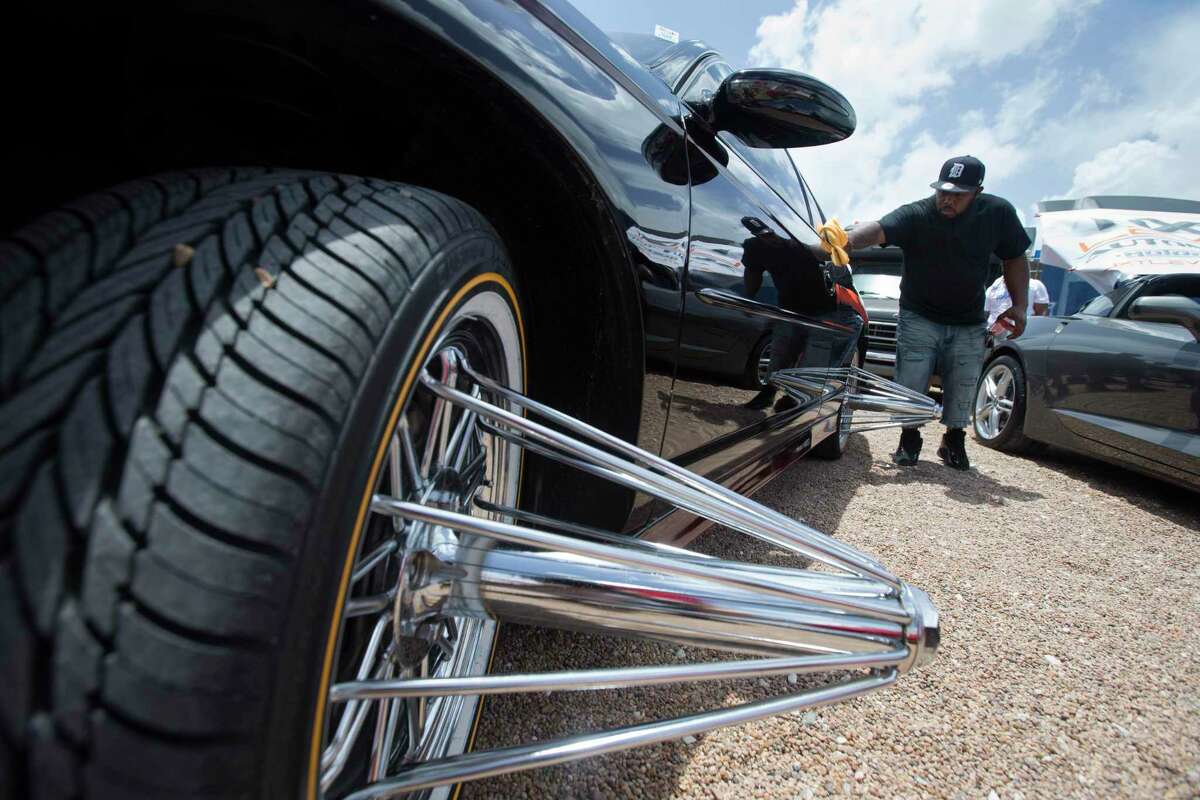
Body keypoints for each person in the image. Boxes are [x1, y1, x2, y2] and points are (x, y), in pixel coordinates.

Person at [842, 155, 1031, 470]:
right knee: (912, 377)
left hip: (968, 318)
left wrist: (1021, 305)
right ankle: (909, 438)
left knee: (963, 381)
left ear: (977, 192)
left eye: (958, 194)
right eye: (943, 191)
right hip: (919, 313)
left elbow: (1015, 257)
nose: (947, 199)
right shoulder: (917, 213)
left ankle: (953, 439)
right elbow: (877, 231)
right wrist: (846, 240)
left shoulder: (997, 213)